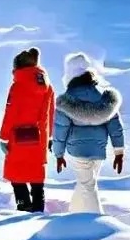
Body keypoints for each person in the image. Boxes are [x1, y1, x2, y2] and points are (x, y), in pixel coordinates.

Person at [52, 52, 126, 214]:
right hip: (98, 149)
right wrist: (119, 151)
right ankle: (74, 215)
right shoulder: (103, 96)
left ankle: (97, 221)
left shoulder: (67, 99)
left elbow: (60, 129)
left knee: (87, 185)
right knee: (86, 183)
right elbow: (115, 126)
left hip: (77, 151)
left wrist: (58, 154)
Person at [0, 47, 55, 212]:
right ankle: (38, 211)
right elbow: (51, 114)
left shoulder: (18, 86)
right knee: (37, 177)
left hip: (18, 138)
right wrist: (49, 136)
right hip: (39, 138)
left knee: (17, 176)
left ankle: (23, 208)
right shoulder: (47, 87)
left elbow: (10, 113)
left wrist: (3, 137)